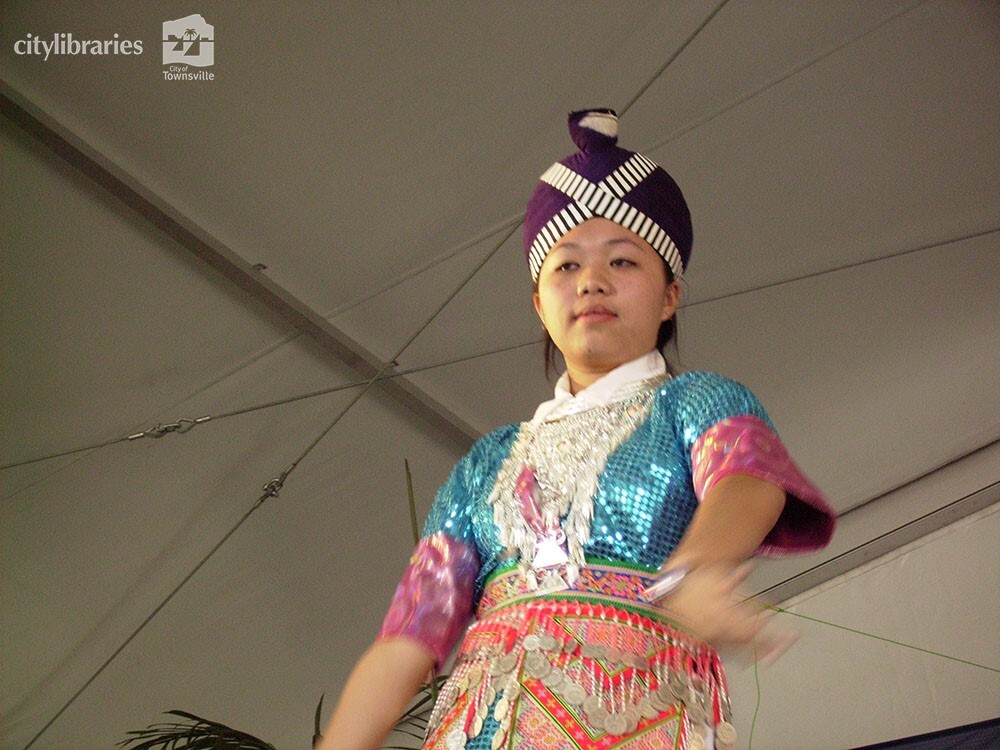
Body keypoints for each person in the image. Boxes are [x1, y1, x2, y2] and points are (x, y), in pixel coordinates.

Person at [320, 109, 835, 750]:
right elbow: (408, 639)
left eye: (623, 262)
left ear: (670, 294)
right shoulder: (488, 461)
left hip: (641, 721)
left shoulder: (694, 401)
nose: (592, 280)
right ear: (539, 303)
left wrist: (697, 573)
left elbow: (749, 483)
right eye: (565, 266)